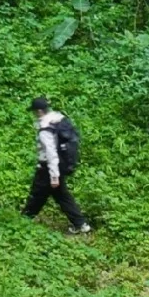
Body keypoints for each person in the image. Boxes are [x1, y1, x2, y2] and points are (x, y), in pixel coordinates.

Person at [21, 96, 91, 235]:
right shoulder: (58, 119)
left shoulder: (45, 129)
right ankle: (81, 224)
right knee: (61, 196)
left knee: (37, 194)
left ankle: (23, 222)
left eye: (34, 111)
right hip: (59, 165)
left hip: (48, 167)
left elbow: (51, 153)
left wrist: (54, 176)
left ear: (39, 111)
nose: (34, 114)